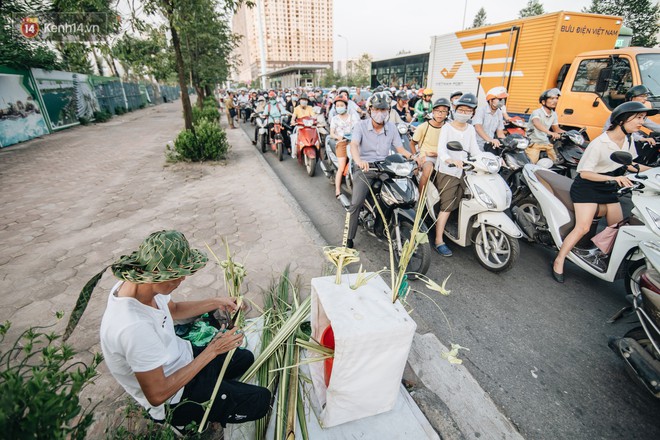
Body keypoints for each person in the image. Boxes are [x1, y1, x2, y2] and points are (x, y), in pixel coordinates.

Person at [63, 230, 270, 429]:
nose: (182, 280)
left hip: (184, 357)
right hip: (175, 396)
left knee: (245, 359)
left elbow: (175, 309)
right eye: (178, 275)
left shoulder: (140, 283)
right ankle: (182, 422)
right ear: (156, 274)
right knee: (261, 400)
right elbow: (157, 395)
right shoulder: (133, 327)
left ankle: (216, 387)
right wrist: (212, 350)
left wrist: (217, 302)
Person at [552, 102, 657, 282]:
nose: (642, 122)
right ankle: (559, 260)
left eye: (643, 118)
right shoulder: (600, 143)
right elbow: (584, 173)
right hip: (588, 186)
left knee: (618, 229)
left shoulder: (628, 139)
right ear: (623, 120)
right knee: (582, 227)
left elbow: (630, 165)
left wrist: (655, 171)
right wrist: (615, 179)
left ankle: (599, 256)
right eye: (639, 118)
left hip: (609, 187)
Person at [346, 92, 412, 249]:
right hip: (365, 168)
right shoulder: (360, 126)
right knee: (356, 203)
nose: (380, 113)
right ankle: (348, 237)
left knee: (396, 194)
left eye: (383, 110)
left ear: (388, 111)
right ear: (369, 110)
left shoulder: (392, 128)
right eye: (377, 109)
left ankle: (383, 223)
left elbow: (400, 148)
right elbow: (354, 145)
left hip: (384, 167)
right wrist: (359, 161)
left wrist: (413, 157)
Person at [433, 93, 482, 257]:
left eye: (468, 110)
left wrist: (487, 160)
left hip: (466, 171)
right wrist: (451, 160)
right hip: (449, 171)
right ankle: (439, 240)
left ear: (473, 113)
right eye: (461, 109)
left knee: (466, 200)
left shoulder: (471, 129)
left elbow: (475, 149)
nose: (464, 112)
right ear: (455, 109)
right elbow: (441, 150)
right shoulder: (447, 127)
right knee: (447, 205)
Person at [412, 98, 450, 195]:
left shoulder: (449, 128)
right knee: (428, 169)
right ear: (433, 111)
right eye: (437, 111)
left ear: (447, 113)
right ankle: (421, 198)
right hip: (427, 157)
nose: (440, 114)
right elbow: (412, 143)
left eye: (443, 111)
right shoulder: (423, 126)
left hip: (443, 157)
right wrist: (416, 158)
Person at [329, 95, 360, 198]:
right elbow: (332, 133)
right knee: (341, 167)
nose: (339, 107)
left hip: (353, 142)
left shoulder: (353, 117)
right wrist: (339, 137)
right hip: (341, 143)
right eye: (337, 105)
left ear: (346, 106)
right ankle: (337, 190)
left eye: (341, 105)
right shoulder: (334, 119)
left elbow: (358, 128)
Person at [525, 88, 565, 163]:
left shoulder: (554, 114)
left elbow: (557, 129)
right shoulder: (537, 112)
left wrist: (571, 134)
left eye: (556, 98)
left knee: (555, 161)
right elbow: (537, 123)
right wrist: (550, 132)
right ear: (543, 102)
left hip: (545, 142)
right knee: (531, 164)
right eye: (552, 98)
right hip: (533, 142)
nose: (555, 101)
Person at [473, 87, 507, 151]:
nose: (502, 101)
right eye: (500, 99)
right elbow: (478, 127)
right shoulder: (481, 110)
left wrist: (508, 142)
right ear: (491, 100)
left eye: (503, 99)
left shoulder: (499, 112)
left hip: (490, 145)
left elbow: (500, 133)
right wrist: (490, 140)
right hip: (477, 144)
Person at [290, 93, 316, 158]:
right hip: (300, 127)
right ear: (300, 101)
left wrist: (316, 120)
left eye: (305, 100)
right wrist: (292, 121)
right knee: (294, 138)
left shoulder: (310, 108)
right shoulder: (296, 108)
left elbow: (314, 116)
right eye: (303, 100)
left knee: (317, 135)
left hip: (310, 127)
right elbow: (293, 117)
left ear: (307, 101)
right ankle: (294, 153)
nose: (304, 101)